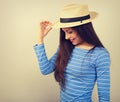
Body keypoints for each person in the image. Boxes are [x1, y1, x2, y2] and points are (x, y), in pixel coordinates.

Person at [33, 4, 110, 102]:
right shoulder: (66, 47)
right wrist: (40, 38)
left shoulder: (100, 55)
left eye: (69, 32)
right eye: (64, 32)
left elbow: (104, 96)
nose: (66, 37)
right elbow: (45, 69)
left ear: (82, 29)